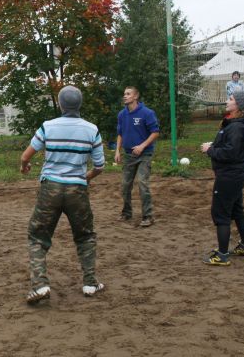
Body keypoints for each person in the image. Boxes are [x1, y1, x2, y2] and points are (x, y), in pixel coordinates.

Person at [20, 85, 105, 305]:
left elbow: (26, 155)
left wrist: (24, 166)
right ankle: (89, 283)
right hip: (77, 190)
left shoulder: (48, 127)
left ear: (60, 104)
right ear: (80, 104)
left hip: (50, 189)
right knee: (85, 235)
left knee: (37, 236)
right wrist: (84, 177)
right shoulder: (91, 129)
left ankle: (40, 285)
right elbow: (99, 166)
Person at [201, 90, 244, 266]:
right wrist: (215, 145)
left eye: (231, 99)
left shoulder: (236, 126)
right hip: (235, 175)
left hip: (228, 176)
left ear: (239, 106)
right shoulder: (236, 124)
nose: (227, 101)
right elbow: (231, 146)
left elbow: (230, 153)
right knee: (237, 210)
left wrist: (209, 150)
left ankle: (222, 255)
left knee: (221, 214)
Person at [114, 86, 160, 227]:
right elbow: (120, 134)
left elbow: (155, 132)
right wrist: (117, 151)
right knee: (125, 185)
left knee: (142, 183)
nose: (125, 96)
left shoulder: (147, 113)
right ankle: (126, 213)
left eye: (128, 94)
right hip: (129, 155)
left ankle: (148, 216)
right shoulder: (122, 114)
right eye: (124, 94)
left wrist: (142, 146)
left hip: (144, 154)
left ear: (135, 96)